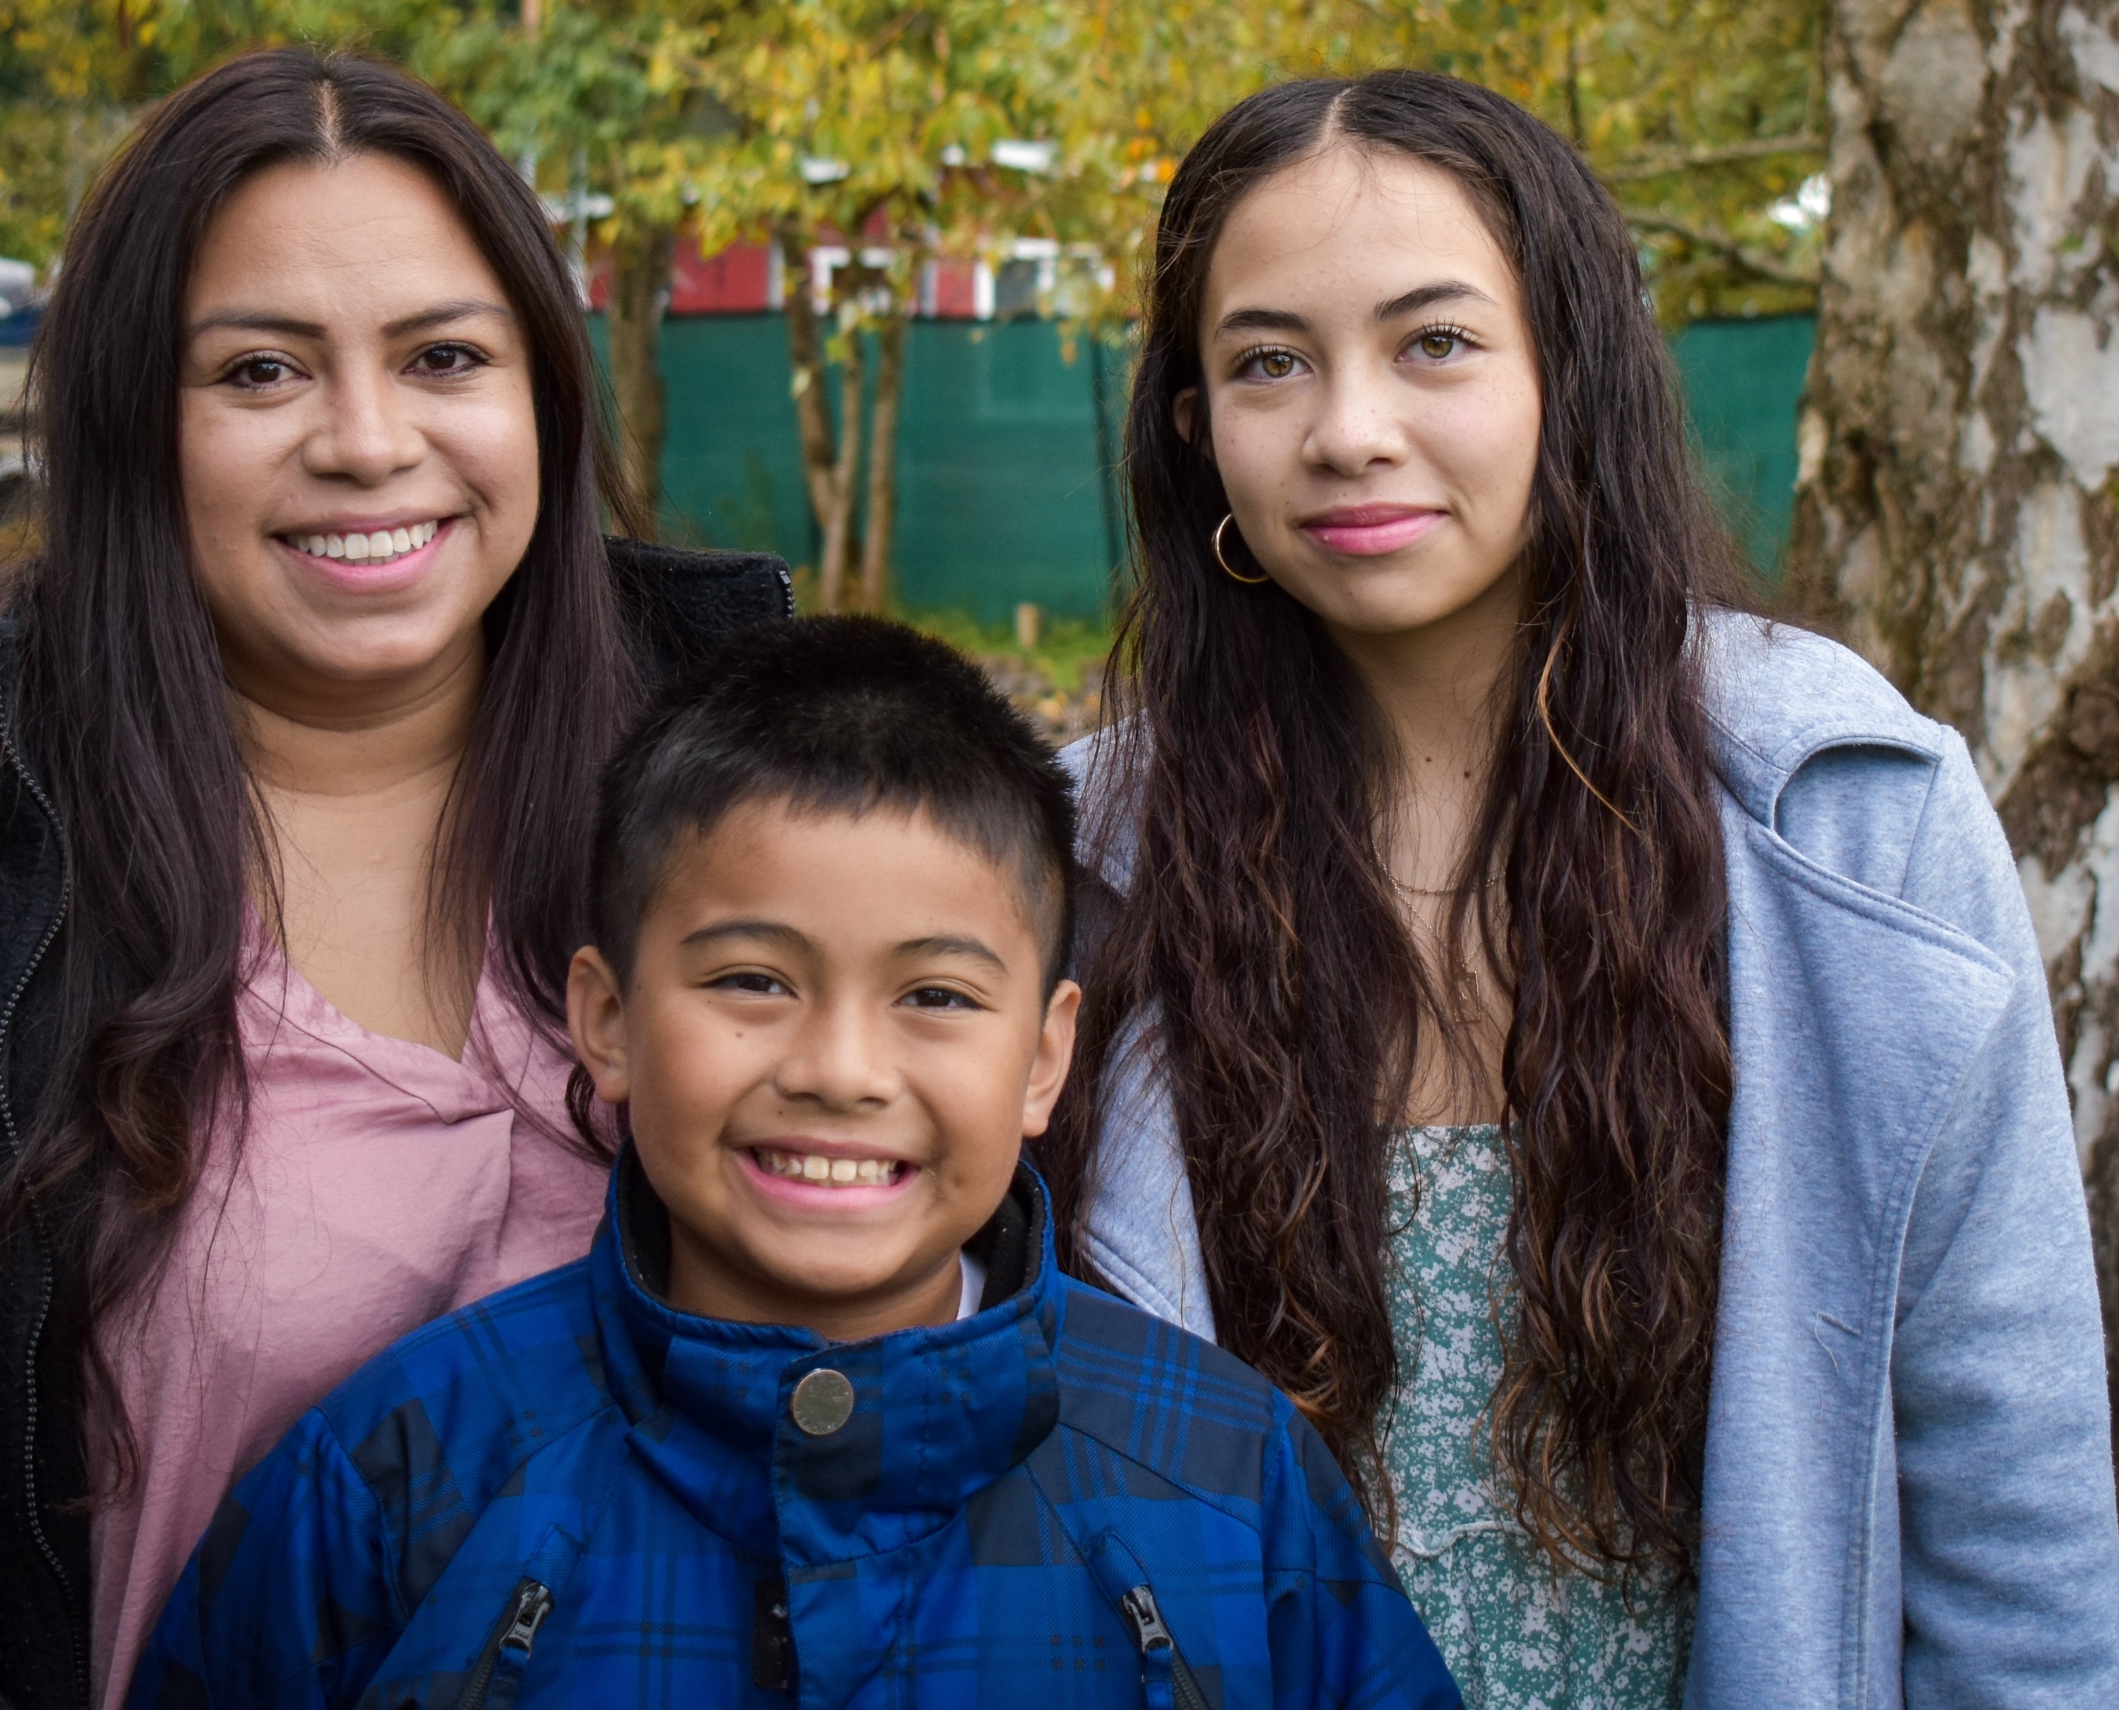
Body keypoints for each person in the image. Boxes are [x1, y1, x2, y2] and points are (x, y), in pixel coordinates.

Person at [0, 48, 785, 1710]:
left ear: (545, 400)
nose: (368, 443)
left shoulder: (764, 825)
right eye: (262, 371)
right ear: (139, 425)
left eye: (443, 356)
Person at [1040, 69, 2119, 1709]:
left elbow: (2013, 1523)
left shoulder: (1854, 827)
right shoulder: (1072, 869)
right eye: (1270, 361)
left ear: (1571, 371)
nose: (1350, 428)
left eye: (1437, 342)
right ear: (1198, 434)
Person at [126, 616, 1462, 1709]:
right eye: (755, 980)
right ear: (606, 1021)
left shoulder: (1227, 1476)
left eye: (935, 997)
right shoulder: (405, 1466)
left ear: (1047, 1057)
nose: (839, 1069)